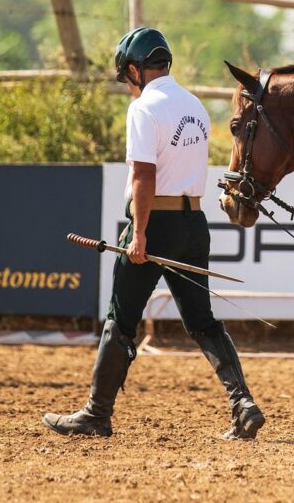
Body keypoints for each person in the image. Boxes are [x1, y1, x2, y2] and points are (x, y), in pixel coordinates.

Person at [43, 27, 265, 440]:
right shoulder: (195, 106)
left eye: (126, 78)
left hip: (154, 223)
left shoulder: (144, 108)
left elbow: (143, 174)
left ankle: (96, 413)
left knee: (120, 319)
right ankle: (244, 404)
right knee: (202, 321)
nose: (128, 87)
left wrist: (139, 234)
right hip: (193, 224)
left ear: (134, 69)